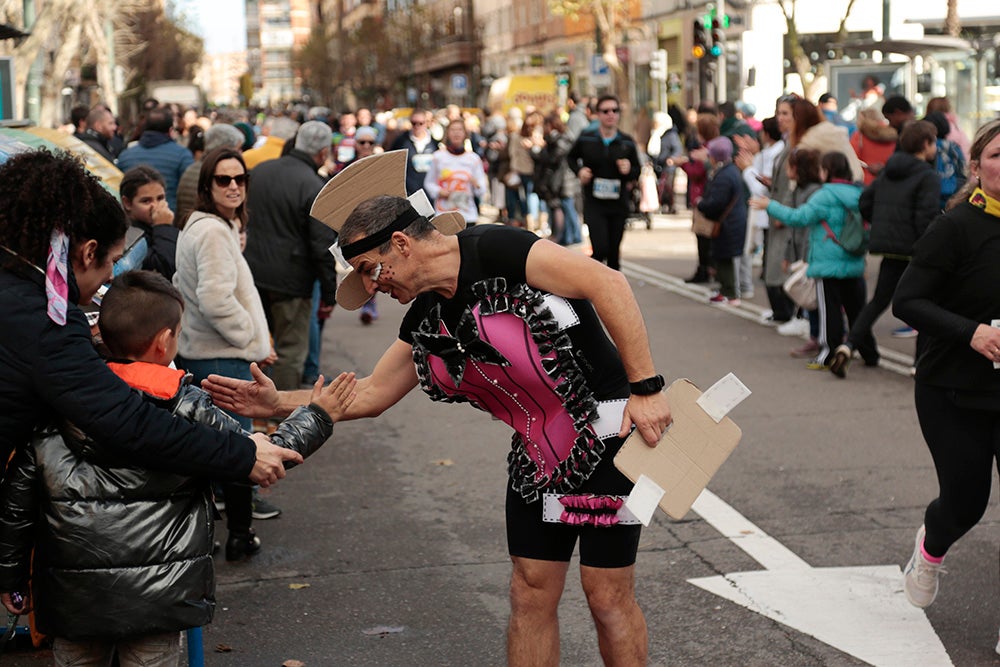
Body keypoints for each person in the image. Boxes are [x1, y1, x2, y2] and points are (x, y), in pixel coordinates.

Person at [203, 155, 672, 666]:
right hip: (538, 461)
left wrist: (646, 388)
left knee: (606, 595)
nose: (373, 287)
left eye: (370, 270)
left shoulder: (498, 249)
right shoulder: (428, 313)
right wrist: (278, 402)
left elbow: (608, 283)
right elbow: (372, 392)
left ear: (401, 244)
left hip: (606, 441)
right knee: (529, 591)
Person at [0, 271, 356, 664]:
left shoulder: (60, 404)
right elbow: (260, 456)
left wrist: (11, 579)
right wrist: (318, 415)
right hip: (160, 599)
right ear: (164, 341)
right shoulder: (187, 408)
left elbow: (17, 504)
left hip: (72, 602)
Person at [0, 149, 299, 487]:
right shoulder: (45, 321)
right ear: (88, 252)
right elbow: (128, 422)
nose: (111, 276)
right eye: (113, 261)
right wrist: (243, 453)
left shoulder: (17, 289)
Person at [891, 122, 1000, 642]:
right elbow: (907, 301)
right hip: (953, 389)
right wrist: (971, 332)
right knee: (965, 502)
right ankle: (930, 548)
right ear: (975, 167)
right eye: (998, 155)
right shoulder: (954, 228)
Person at [174, 147, 279, 552]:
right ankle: (239, 535)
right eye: (223, 179)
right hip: (220, 354)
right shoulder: (213, 232)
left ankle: (219, 535)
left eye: (240, 178)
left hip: (206, 352)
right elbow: (215, 298)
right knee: (238, 448)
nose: (234, 186)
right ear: (207, 185)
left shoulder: (208, 227)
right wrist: (250, 337)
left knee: (213, 447)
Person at [830, 121, 940, 379]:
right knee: (926, 303)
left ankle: (849, 345)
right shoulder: (928, 176)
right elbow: (926, 217)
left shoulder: (888, 171)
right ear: (925, 144)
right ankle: (919, 363)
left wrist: (880, 224)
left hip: (890, 248)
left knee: (878, 301)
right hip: (916, 250)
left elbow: (865, 201)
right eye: (933, 142)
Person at [244, 121, 339, 389]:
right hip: (291, 281)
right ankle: (279, 407)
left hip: (252, 272)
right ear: (323, 153)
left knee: (259, 344)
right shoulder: (314, 185)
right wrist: (330, 292)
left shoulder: (260, 171)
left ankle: (257, 402)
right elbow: (322, 245)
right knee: (290, 351)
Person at [750, 151, 866, 370]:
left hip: (827, 263)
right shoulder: (857, 193)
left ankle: (828, 355)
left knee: (829, 312)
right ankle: (867, 351)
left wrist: (770, 205)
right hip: (853, 259)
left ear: (827, 171)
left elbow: (799, 217)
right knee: (856, 311)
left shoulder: (825, 195)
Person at [567, 94, 642, 271]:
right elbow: (570, 157)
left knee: (614, 253)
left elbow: (637, 170)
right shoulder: (587, 138)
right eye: (606, 111)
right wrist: (580, 171)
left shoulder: (626, 141)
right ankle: (594, 283)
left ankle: (613, 286)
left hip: (618, 203)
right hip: (595, 203)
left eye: (615, 111)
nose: (611, 114)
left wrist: (628, 169)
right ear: (598, 114)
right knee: (600, 249)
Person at [116, 107, 193, 212]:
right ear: (170, 130)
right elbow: (189, 191)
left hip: (133, 216)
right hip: (170, 214)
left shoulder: (125, 155)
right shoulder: (182, 155)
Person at [699, 136, 747, 305]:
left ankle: (729, 293)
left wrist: (701, 204)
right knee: (725, 257)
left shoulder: (724, 176)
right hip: (733, 221)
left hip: (728, 224)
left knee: (725, 258)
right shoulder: (731, 170)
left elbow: (717, 202)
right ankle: (727, 291)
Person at [176, 123, 246, 227]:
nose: (241, 153)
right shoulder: (209, 171)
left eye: (240, 179)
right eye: (238, 148)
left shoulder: (194, 168)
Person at [679, 112, 721, 284]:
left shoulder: (706, 150)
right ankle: (709, 269)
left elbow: (697, 172)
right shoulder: (716, 147)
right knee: (707, 237)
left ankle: (705, 270)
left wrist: (682, 164)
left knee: (703, 236)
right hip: (710, 197)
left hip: (703, 197)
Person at [423, 119, 488, 228]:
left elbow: (482, 190)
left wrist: (476, 184)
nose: (456, 133)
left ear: (465, 134)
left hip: (467, 216)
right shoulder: (438, 157)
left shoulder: (473, 158)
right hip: (443, 215)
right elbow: (428, 183)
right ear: (447, 133)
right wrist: (440, 191)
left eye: (459, 130)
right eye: (453, 130)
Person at [119, 166, 180, 279]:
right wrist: (163, 226)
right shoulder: (127, 236)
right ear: (127, 203)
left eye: (160, 198)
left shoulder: (158, 227)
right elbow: (166, 268)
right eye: (146, 201)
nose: (156, 206)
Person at [389, 109, 438, 198]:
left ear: (426, 123)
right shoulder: (401, 141)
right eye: (414, 123)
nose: (417, 126)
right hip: (409, 193)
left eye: (420, 123)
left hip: (430, 194)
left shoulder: (435, 143)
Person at [850, 108, 898, 186]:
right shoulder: (892, 135)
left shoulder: (859, 136)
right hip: (888, 179)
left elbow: (852, 157)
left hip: (865, 180)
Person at [647, 111, 683, 215]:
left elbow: (677, 149)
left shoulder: (671, 135)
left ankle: (668, 205)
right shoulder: (656, 134)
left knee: (667, 187)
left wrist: (672, 158)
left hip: (668, 167)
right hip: (658, 165)